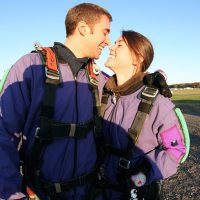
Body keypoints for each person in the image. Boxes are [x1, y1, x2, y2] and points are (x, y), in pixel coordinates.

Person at [0, 3, 171, 200]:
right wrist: (12, 194)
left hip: (90, 193)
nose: (108, 42)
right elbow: (3, 134)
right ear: (83, 28)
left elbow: (127, 87)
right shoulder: (31, 67)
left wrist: (151, 81)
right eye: (105, 32)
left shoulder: (98, 79)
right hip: (40, 193)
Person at [101, 30, 188, 200]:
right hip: (102, 191)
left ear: (137, 58)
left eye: (119, 44)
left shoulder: (157, 103)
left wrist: (142, 176)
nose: (111, 48)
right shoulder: (104, 92)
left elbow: (176, 150)